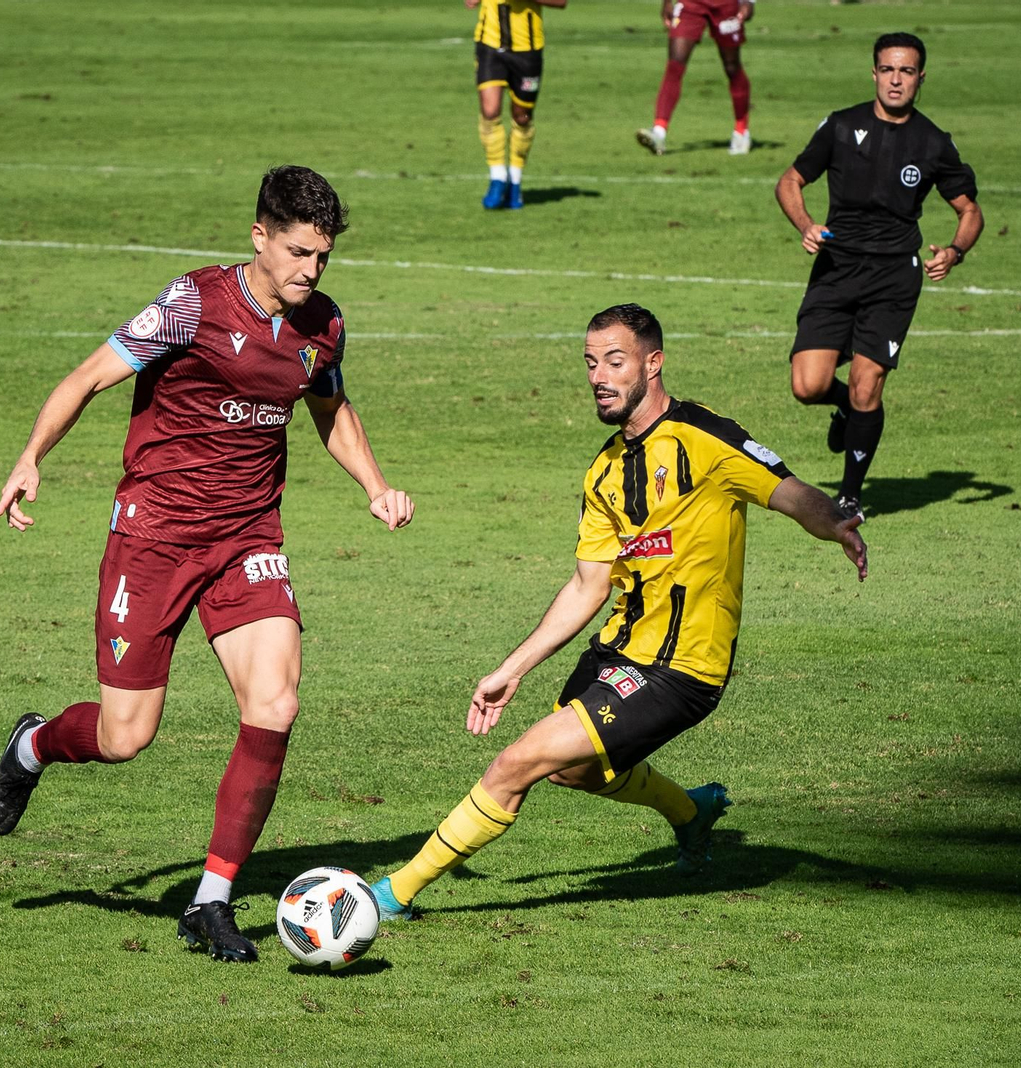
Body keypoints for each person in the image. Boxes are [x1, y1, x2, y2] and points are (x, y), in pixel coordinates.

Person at [0, 165, 415, 964]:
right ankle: (33, 746)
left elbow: (330, 407)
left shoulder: (323, 324)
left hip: (248, 539)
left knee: (275, 702)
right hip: (153, 537)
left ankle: (210, 900)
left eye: (322, 255)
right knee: (125, 736)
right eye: (297, 252)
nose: (311, 269)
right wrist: (30, 457)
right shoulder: (193, 304)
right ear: (259, 237)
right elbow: (89, 376)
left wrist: (375, 485)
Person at [369, 303, 866, 922]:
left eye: (614, 361)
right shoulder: (604, 471)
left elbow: (790, 492)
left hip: (682, 668)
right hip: (620, 648)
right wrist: (511, 669)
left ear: (652, 364)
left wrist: (835, 522)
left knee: (517, 762)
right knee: (574, 773)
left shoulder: (704, 438)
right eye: (590, 363)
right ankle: (691, 811)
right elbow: (587, 585)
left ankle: (391, 895)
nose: (598, 377)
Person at [774, 32, 983, 521]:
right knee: (807, 386)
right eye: (888, 69)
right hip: (837, 267)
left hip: (893, 277)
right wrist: (806, 225)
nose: (895, 80)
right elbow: (790, 180)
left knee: (868, 384)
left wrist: (954, 251)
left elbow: (969, 210)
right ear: (873, 73)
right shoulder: (841, 126)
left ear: (921, 78)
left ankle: (850, 495)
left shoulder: (933, 142)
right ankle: (846, 408)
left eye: (906, 71)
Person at [468, 0, 568, 210]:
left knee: (522, 117)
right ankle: (497, 177)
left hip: (528, 51)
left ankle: (515, 180)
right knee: (490, 111)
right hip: (489, 45)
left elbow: (561, 2)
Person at [636, 0, 755, 157]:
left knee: (732, 67)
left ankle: (741, 131)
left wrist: (749, 1)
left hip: (726, 4)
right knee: (675, 64)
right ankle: (659, 132)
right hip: (690, 4)